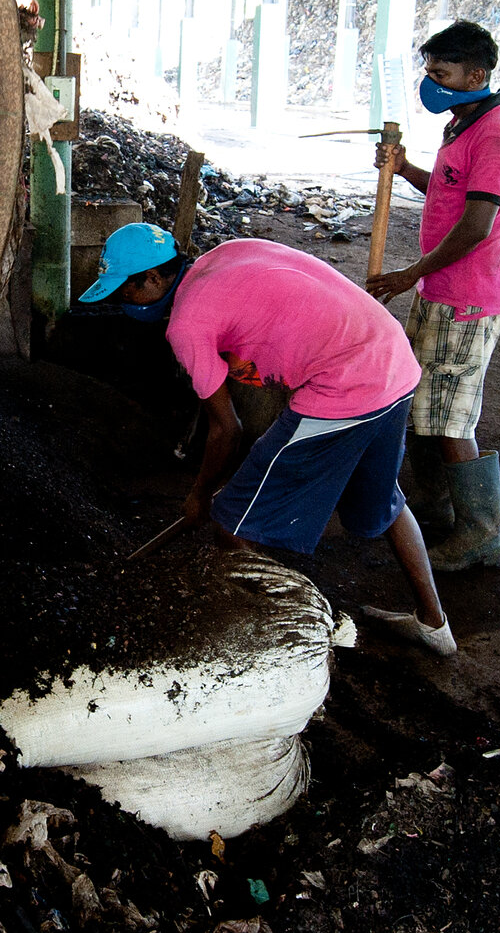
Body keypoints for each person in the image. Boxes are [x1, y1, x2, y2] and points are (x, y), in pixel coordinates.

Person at [82, 221, 456, 655]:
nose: (119, 299)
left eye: (123, 290)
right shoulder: (228, 253)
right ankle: (434, 625)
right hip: (390, 358)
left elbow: (228, 428)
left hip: (345, 386)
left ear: (151, 279)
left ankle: (261, 650)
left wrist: (201, 494)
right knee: (385, 502)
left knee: (232, 524)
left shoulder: (186, 325)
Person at [367, 20, 500, 573]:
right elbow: (449, 191)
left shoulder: (496, 134)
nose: (430, 83)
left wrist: (410, 274)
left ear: (476, 75)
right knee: (427, 406)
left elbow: (477, 224)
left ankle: (480, 534)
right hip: (444, 288)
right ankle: (439, 516)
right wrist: (405, 168)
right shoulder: (463, 123)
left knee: (451, 415)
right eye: (428, 73)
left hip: (469, 297)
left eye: (441, 73)